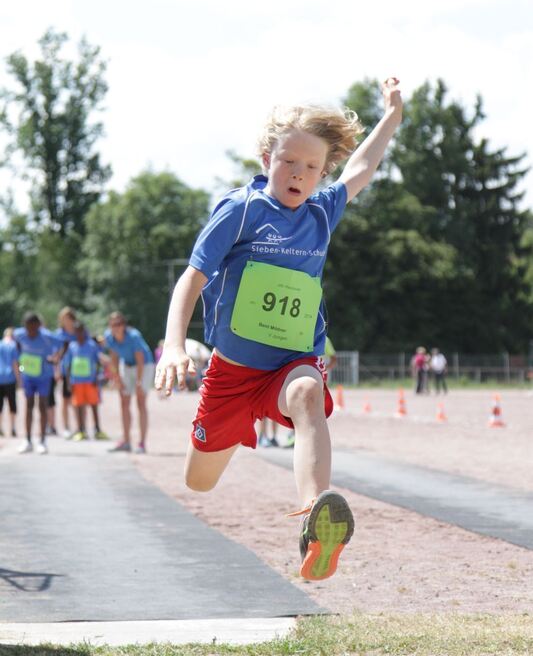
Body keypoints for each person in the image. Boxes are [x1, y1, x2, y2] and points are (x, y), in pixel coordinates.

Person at [156, 78, 402, 581]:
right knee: (199, 481)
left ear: (322, 172)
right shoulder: (241, 210)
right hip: (232, 372)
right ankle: (231, 440)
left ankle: (317, 518)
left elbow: (362, 168)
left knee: (310, 393)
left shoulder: (320, 212)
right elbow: (192, 276)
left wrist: (392, 116)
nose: (299, 174)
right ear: (267, 155)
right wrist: (174, 345)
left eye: (312, 167)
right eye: (289, 161)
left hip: (290, 365)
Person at [104, 312, 155, 454]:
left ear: (124, 325)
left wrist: (139, 383)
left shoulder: (134, 336)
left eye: (119, 324)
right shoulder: (109, 336)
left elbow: (140, 359)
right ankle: (126, 441)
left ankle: (142, 443)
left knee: (141, 402)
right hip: (126, 365)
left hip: (144, 366)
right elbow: (113, 357)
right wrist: (117, 378)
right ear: (110, 326)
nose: (116, 327)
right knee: (124, 401)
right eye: (113, 324)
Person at [14, 313, 63, 454]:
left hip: (44, 376)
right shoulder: (19, 335)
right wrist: (21, 366)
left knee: (42, 406)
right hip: (28, 376)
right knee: (28, 406)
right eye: (28, 329)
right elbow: (17, 349)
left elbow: (64, 343)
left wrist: (56, 358)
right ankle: (27, 440)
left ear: (38, 327)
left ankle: (42, 441)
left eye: (34, 329)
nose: (31, 332)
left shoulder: (47, 336)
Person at [64, 322, 108, 441]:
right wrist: (68, 382)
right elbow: (68, 365)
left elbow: (98, 362)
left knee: (94, 405)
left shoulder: (92, 345)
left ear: (84, 331)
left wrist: (96, 377)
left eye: (81, 331)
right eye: (77, 331)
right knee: (78, 406)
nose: (79, 333)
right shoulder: (72, 346)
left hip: (90, 381)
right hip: (76, 381)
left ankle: (97, 429)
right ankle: (81, 430)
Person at [52, 307, 78, 438]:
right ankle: (66, 427)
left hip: (79, 370)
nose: (66, 321)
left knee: (78, 400)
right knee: (65, 399)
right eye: (64, 319)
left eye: (68, 318)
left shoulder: (79, 332)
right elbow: (55, 354)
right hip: (65, 369)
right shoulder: (58, 334)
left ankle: (79, 427)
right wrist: (56, 370)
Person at [0, 328, 21, 437]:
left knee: (0, 406)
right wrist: (19, 380)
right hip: (10, 378)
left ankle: (0, 428)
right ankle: (12, 427)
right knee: (12, 404)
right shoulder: (13, 346)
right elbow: (15, 364)